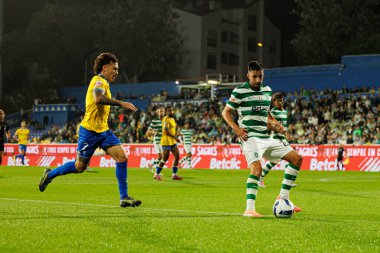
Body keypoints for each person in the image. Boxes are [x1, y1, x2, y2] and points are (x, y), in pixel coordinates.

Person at [39, 52, 142, 208]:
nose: (116, 72)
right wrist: (121, 103)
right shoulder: (98, 81)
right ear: (105, 67)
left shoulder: (105, 83)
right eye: (114, 68)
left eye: (117, 69)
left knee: (122, 158)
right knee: (79, 167)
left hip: (103, 131)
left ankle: (124, 197)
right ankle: (50, 174)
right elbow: (98, 99)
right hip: (89, 132)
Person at [222, 61, 302, 218]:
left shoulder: (267, 91)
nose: (258, 80)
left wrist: (273, 123)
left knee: (297, 159)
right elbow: (226, 112)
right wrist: (236, 129)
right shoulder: (239, 91)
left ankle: (283, 198)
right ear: (248, 75)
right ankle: (249, 209)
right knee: (257, 169)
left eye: (260, 76)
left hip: (266, 137)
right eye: (254, 77)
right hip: (250, 136)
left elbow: (265, 113)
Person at [258, 93, 297, 188]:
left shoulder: (284, 111)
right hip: (276, 138)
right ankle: (288, 181)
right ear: (274, 102)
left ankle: (260, 177)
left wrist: (287, 134)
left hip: (282, 138)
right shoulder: (273, 111)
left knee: (275, 161)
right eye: (278, 100)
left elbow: (283, 126)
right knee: (294, 158)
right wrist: (280, 131)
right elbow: (268, 125)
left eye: (282, 100)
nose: (281, 102)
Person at [154, 105, 183, 181]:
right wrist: (176, 138)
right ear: (166, 112)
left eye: (172, 110)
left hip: (172, 142)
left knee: (177, 157)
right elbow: (166, 132)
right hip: (166, 142)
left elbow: (172, 130)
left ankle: (174, 175)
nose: (171, 111)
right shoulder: (165, 120)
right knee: (164, 159)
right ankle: (156, 174)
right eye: (169, 110)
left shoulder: (172, 119)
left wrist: (177, 134)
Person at [146, 107, 165, 173]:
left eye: (162, 111)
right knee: (161, 157)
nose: (161, 112)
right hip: (157, 141)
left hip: (164, 141)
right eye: (160, 111)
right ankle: (157, 171)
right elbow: (148, 132)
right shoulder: (154, 121)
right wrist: (154, 133)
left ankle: (151, 166)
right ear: (158, 113)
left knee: (161, 157)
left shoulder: (166, 121)